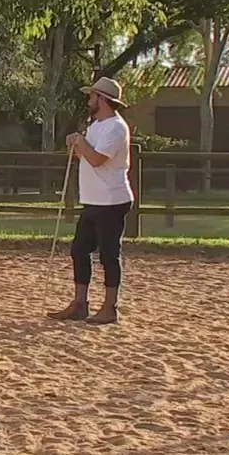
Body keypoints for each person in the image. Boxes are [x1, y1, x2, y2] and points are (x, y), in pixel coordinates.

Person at [48, 76, 134, 325]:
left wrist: (81, 142)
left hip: (111, 200)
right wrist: (74, 144)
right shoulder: (96, 126)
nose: (89, 100)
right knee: (79, 250)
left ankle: (110, 308)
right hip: (94, 199)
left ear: (103, 99)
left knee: (109, 255)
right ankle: (80, 304)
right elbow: (84, 157)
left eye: (92, 96)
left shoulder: (117, 128)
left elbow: (97, 159)